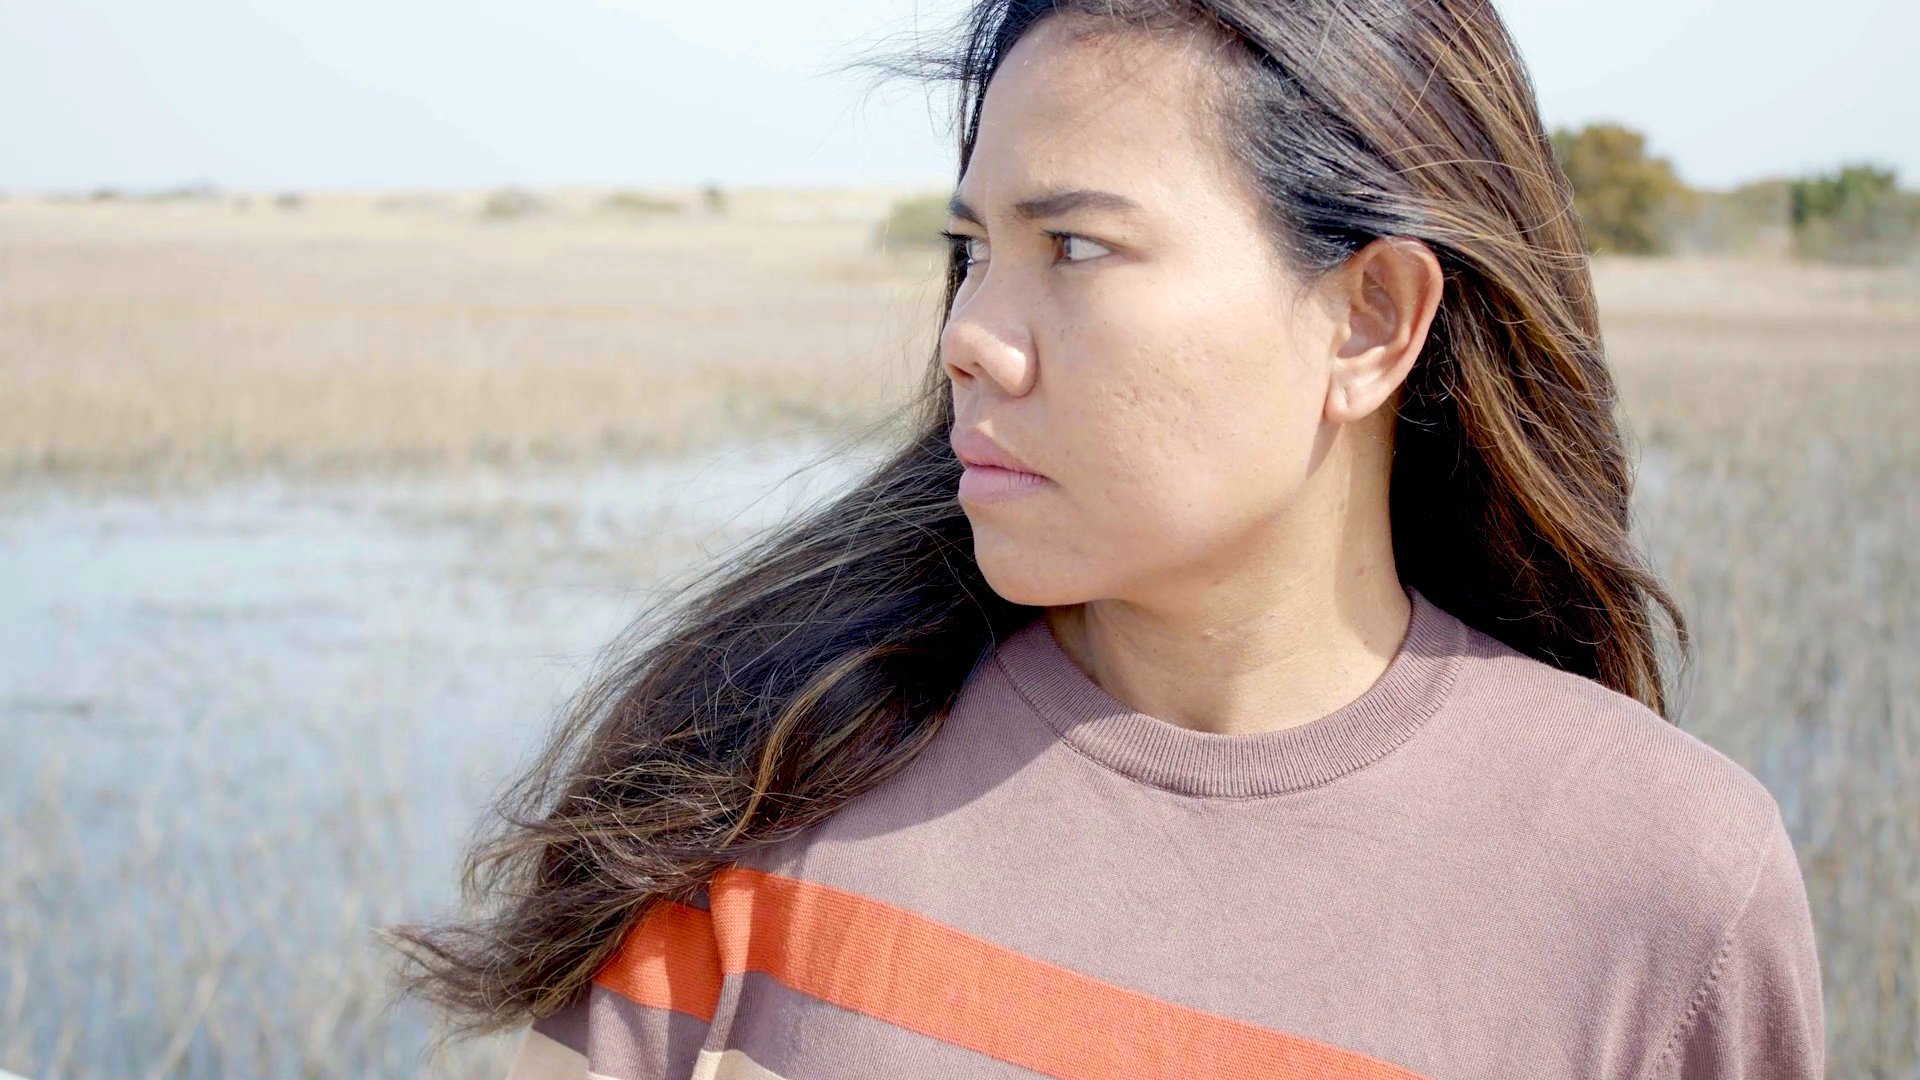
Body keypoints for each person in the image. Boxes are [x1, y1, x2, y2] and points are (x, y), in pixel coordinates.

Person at [394, 1, 1824, 1077]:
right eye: (971, 251)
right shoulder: (748, 794)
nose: (966, 336)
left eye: (1073, 249)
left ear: (1371, 319)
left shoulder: (1664, 889)